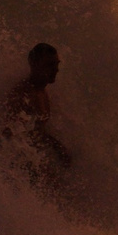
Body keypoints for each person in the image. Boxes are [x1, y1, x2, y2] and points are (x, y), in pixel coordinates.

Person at [5, 42, 72, 185]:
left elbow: (36, 129)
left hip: (34, 159)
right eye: (50, 65)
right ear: (34, 64)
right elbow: (10, 132)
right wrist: (56, 146)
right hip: (21, 166)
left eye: (56, 64)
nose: (56, 70)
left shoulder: (42, 90)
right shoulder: (24, 94)